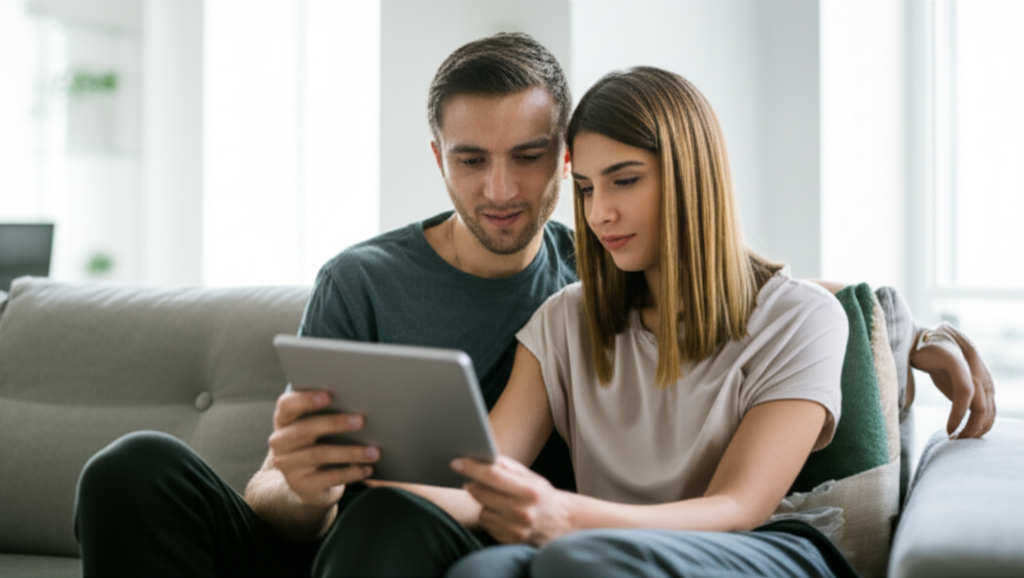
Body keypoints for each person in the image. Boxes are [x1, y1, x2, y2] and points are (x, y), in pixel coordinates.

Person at [73, 33, 994, 577]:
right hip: (329, 538)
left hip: (438, 533)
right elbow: (407, 480)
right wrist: (297, 486)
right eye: (472, 159)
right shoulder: (381, 281)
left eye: (537, 160)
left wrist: (911, 332)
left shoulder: (581, 275)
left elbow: (757, 288)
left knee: (405, 522)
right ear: (439, 160)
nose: (505, 190)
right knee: (132, 469)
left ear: (561, 158)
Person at [444, 65, 856, 577]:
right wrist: (367, 477)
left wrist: (569, 517)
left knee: (576, 557)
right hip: (594, 547)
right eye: (588, 189)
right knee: (479, 572)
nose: (599, 215)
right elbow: (482, 476)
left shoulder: (802, 319)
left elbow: (737, 508)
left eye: (625, 181)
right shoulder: (563, 320)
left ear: (691, 176)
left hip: (757, 549)